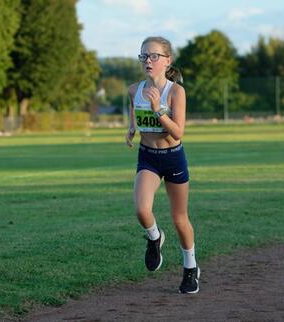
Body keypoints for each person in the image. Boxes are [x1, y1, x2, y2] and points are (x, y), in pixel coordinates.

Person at [125, 36, 199, 293]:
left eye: (154, 56)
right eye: (144, 55)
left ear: (168, 61)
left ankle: (190, 268)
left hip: (173, 156)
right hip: (148, 157)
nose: (148, 60)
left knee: (180, 219)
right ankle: (155, 237)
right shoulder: (134, 89)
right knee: (141, 210)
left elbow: (178, 132)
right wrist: (131, 127)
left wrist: (158, 109)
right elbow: (134, 107)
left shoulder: (176, 92)